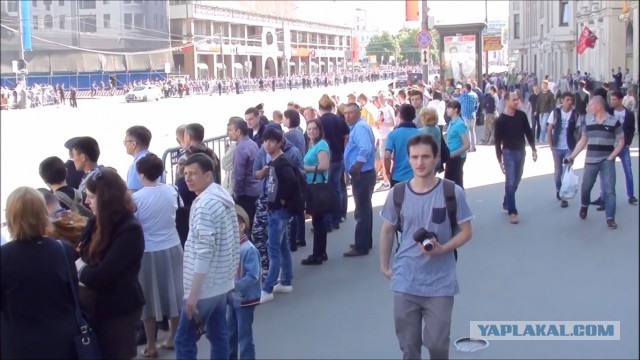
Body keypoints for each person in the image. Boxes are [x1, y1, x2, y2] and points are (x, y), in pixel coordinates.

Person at [379, 134, 474, 360]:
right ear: (408, 160)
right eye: (414, 157)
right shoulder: (398, 193)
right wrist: (384, 266)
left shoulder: (452, 192)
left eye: (425, 157)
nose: (419, 162)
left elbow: (467, 231)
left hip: (440, 282)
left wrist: (444, 248)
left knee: (437, 344)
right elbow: (387, 230)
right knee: (409, 346)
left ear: (435, 159)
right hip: (405, 279)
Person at [1, 187, 79, 359]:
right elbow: (73, 295)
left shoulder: (4, 257)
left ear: (11, 218)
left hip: (20, 345)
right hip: (63, 342)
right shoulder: (63, 250)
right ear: (42, 214)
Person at [75, 168, 145, 359]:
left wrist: (82, 269)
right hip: (96, 308)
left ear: (105, 199)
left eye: (90, 196)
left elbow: (102, 274)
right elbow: (81, 252)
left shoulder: (130, 230)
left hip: (118, 311)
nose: (86, 201)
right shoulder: (95, 222)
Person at [175, 153, 239, 359]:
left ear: (208, 175)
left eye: (193, 173)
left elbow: (204, 250)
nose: (188, 178)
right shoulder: (222, 197)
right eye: (185, 173)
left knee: (183, 339)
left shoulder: (203, 206)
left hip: (206, 286)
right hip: (220, 282)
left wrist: (193, 294)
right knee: (218, 334)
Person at [132, 153, 184, 357]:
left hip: (148, 250)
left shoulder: (136, 198)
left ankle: (151, 345)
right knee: (174, 292)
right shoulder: (172, 190)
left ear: (141, 173)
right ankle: (173, 336)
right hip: (172, 245)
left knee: (149, 298)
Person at [259, 127, 304, 303]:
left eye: (271, 141)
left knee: (274, 248)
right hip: (276, 209)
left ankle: (268, 287)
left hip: (278, 211)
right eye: (264, 141)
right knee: (281, 246)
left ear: (279, 143)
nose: (266, 144)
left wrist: (283, 199)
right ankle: (285, 280)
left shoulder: (281, 162)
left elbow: (292, 182)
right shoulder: (275, 162)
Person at [494, 91, 538, 224]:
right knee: (511, 181)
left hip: (521, 151)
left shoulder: (521, 116)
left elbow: (528, 133)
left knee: (516, 180)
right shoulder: (500, 120)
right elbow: (497, 141)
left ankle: (507, 201)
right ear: (506, 101)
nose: (516, 101)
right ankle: (512, 212)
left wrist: (533, 149)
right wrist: (499, 159)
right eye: (513, 99)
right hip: (508, 152)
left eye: (517, 99)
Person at [227, 205, 261, 360]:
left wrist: (234, 286)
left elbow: (253, 276)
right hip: (233, 298)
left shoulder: (248, 249)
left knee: (244, 336)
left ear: (241, 227)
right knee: (230, 332)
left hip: (246, 299)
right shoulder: (231, 248)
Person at [342, 102, 376, 257]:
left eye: (351, 113)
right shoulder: (358, 127)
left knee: (361, 211)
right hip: (363, 173)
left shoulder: (360, 127)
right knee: (365, 209)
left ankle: (361, 246)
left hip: (362, 173)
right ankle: (364, 241)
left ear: (358, 112)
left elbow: (366, 148)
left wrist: (356, 165)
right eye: (345, 113)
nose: (347, 116)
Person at [301, 119, 331, 265]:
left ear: (319, 130)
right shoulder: (313, 144)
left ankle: (317, 254)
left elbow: (324, 165)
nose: (311, 131)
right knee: (318, 222)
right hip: (313, 185)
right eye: (309, 128)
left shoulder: (321, 145)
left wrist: (306, 168)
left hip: (317, 186)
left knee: (318, 221)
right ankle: (320, 252)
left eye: (314, 129)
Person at [546, 92, 579, 208]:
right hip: (557, 147)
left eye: (571, 100)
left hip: (569, 148)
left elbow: (578, 131)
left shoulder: (575, 114)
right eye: (567, 100)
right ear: (562, 100)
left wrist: (576, 147)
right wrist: (551, 145)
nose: (570, 102)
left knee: (566, 172)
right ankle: (558, 189)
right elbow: (549, 129)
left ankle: (564, 197)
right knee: (558, 172)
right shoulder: (555, 112)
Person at [385, 104, 421, 188]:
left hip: (398, 176)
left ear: (400, 116)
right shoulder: (420, 134)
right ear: (414, 116)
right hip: (416, 176)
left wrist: (387, 172)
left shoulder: (393, 134)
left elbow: (387, 156)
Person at [444, 100, 470, 189]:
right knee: (451, 181)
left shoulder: (459, 124)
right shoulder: (452, 122)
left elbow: (467, 145)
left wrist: (453, 154)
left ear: (455, 110)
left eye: (449, 108)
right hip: (451, 156)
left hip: (457, 157)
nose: (446, 110)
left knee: (455, 181)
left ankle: (459, 200)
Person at [124, 125, 152, 192]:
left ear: (133, 144)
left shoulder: (136, 166)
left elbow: (133, 196)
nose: (124, 144)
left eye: (125, 141)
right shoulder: (156, 161)